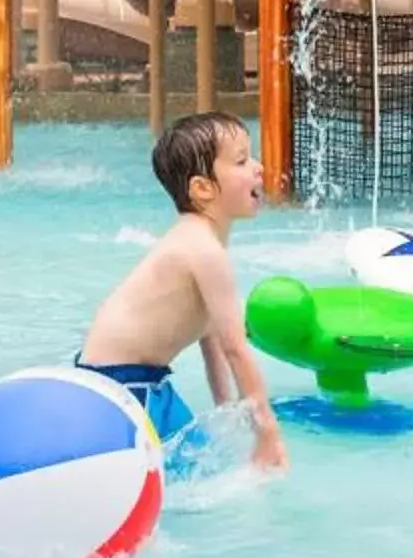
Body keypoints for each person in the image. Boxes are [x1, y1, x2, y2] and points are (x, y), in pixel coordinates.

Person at [76, 111, 288, 474]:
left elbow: (213, 341)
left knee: (199, 466)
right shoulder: (204, 250)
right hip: (121, 386)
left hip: (137, 379)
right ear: (202, 189)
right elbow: (236, 347)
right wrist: (267, 432)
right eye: (241, 160)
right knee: (164, 481)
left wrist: (226, 408)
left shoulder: (202, 240)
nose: (258, 167)